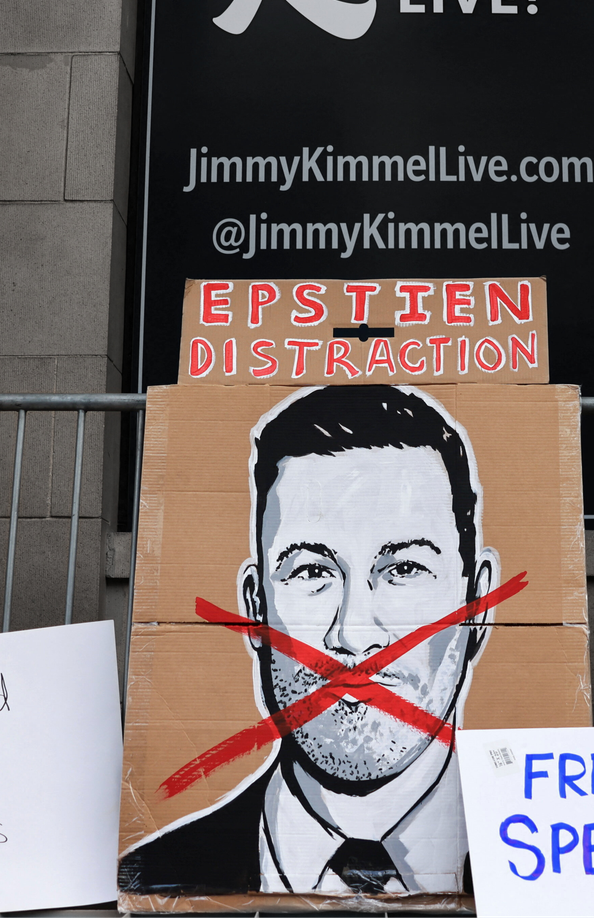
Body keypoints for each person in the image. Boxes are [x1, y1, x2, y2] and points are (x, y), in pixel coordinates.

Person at [120, 384, 499, 896]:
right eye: (311, 571)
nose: (353, 635)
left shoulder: (553, 868)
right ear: (256, 608)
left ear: (477, 603)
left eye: (405, 569)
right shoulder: (153, 883)